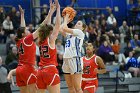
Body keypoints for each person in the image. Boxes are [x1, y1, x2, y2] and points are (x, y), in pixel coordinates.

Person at [7, 4, 54, 93]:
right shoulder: (27, 39)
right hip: (28, 69)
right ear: (24, 34)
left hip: (19, 70)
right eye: (27, 30)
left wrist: (22, 15)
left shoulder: (19, 41)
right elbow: (42, 26)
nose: (28, 30)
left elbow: (22, 27)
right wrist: (50, 12)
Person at [36, 0, 61, 93]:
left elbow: (45, 25)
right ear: (50, 32)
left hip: (40, 71)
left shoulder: (40, 40)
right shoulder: (51, 39)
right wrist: (58, 9)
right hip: (50, 70)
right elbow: (58, 24)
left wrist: (51, 11)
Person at [61, 14, 86, 93]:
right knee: (70, 87)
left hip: (75, 58)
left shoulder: (80, 32)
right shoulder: (70, 34)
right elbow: (60, 29)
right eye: (76, 23)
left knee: (77, 88)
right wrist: (66, 21)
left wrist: (65, 18)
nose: (76, 24)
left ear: (82, 28)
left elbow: (64, 28)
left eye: (79, 24)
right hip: (66, 59)